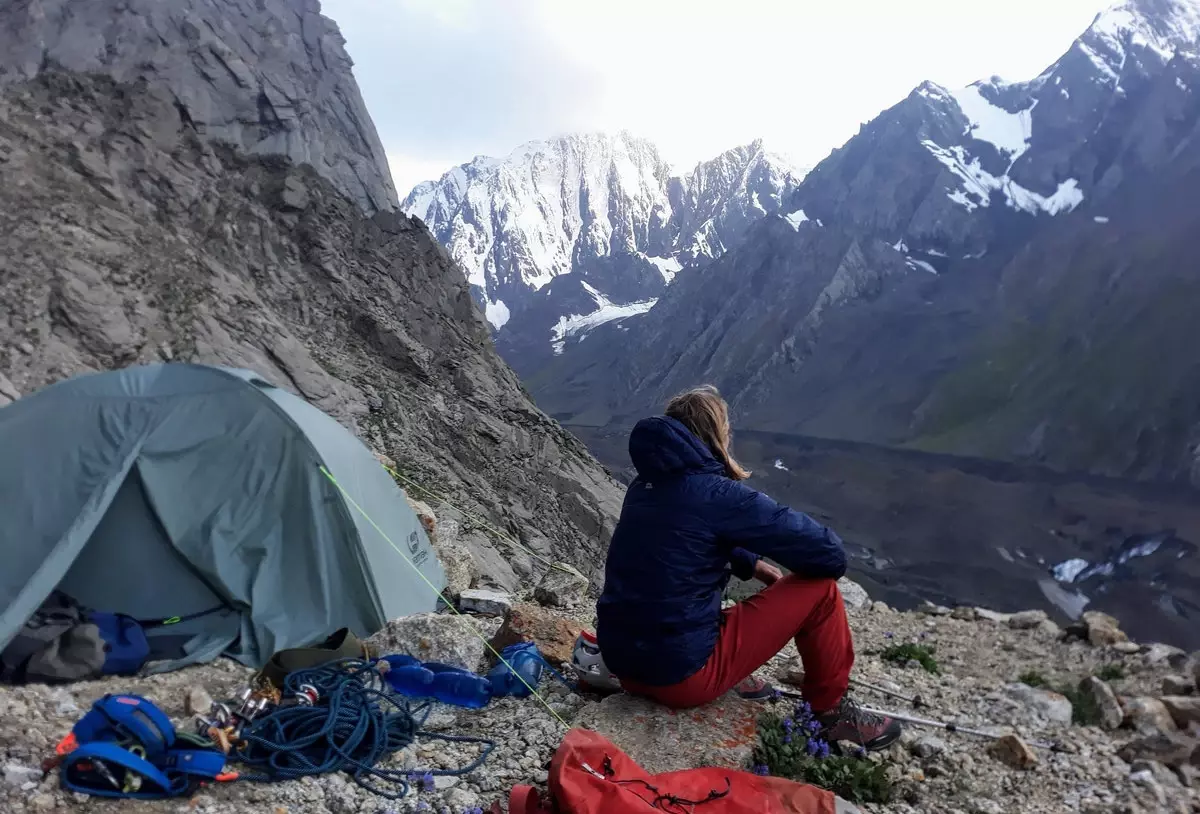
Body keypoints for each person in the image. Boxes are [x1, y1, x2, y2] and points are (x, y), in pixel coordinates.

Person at [595, 385, 902, 750]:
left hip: (623, 662)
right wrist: (778, 558)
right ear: (715, 434)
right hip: (678, 677)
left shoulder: (643, 487)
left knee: (683, 600)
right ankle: (831, 714)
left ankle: (730, 674)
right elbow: (829, 555)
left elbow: (685, 535)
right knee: (822, 591)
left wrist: (752, 563)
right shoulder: (719, 494)